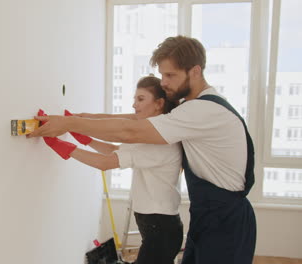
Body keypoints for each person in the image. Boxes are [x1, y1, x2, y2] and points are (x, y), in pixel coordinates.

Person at [28, 35, 256, 264]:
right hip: (206, 216)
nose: (164, 82)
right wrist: (81, 119)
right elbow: (133, 120)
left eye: (170, 75)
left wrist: (69, 125)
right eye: (162, 75)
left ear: (195, 71)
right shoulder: (191, 107)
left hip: (225, 220)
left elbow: (131, 130)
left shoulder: (202, 110)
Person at [41, 76, 183, 264]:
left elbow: (105, 163)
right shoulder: (151, 135)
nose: (134, 106)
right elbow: (116, 151)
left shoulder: (160, 144)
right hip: (158, 227)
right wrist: (86, 139)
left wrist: (63, 147)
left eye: (140, 99)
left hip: (161, 229)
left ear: (159, 104)